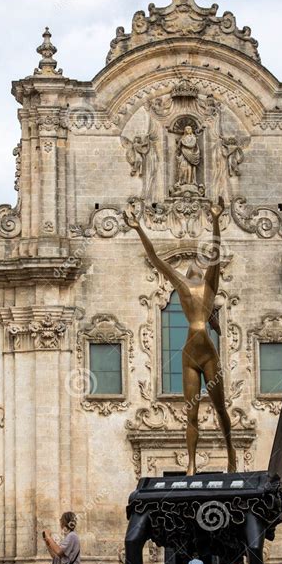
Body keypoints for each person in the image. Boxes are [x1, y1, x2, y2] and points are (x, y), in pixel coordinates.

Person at [123, 197, 235, 475]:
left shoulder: (209, 286)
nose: (192, 267)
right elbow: (155, 259)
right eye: (191, 267)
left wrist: (217, 220)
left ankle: (231, 454)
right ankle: (192, 465)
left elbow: (217, 256)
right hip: (190, 352)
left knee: (221, 409)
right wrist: (138, 229)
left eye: (197, 266)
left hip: (207, 350)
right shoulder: (181, 285)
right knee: (192, 413)